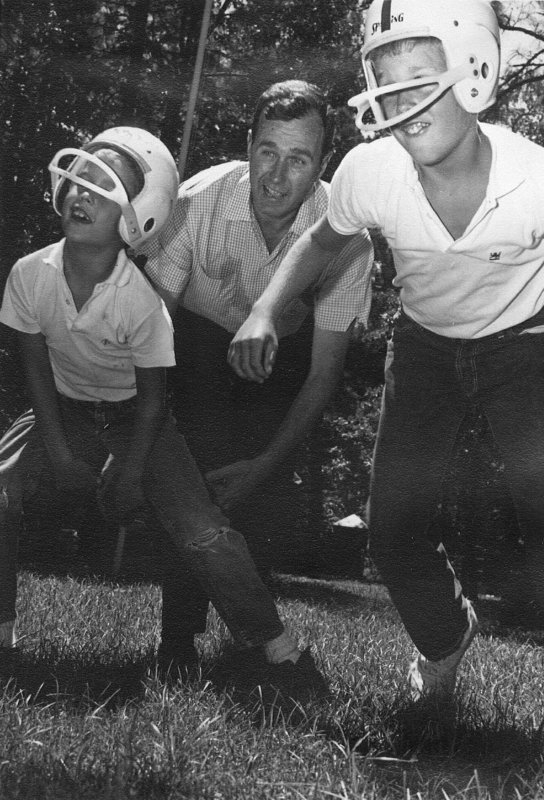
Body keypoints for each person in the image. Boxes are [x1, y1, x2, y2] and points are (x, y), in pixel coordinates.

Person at [229, 0, 544, 701]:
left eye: (420, 79)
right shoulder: (372, 170)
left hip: (525, 344)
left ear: (477, 69)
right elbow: (321, 241)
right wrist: (264, 309)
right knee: (393, 529)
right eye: (387, 82)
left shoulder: (535, 178)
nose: (400, 103)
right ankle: (444, 639)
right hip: (426, 346)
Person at [0, 126, 327, 704]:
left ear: (138, 218)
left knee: (203, 530)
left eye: (104, 188)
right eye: (78, 180)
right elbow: (37, 376)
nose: (81, 195)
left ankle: (280, 650)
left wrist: (129, 470)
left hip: (137, 420)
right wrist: (60, 454)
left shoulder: (142, 300)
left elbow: (153, 401)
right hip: (64, 410)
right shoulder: (28, 274)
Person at [137, 80, 374, 659]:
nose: (276, 176)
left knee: (259, 486)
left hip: (282, 356)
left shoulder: (349, 240)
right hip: (191, 340)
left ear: (324, 165)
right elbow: (150, 333)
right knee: (193, 471)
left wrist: (268, 463)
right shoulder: (197, 200)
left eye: (298, 159)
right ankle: (176, 640)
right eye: (267, 151)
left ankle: (252, 639)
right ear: (247, 144)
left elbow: (323, 375)